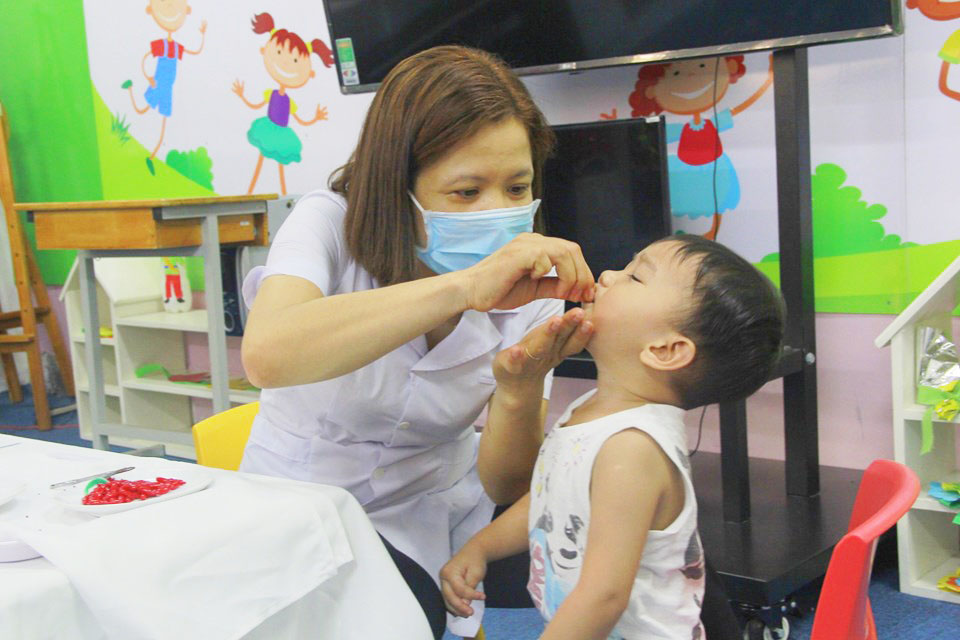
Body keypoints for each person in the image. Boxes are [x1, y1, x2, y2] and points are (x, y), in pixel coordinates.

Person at [239, 45, 597, 638]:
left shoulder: (537, 283)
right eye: (466, 192)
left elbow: (506, 485)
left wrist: (517, 388)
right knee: (395, 613)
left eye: (517, 188)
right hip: (302, 503)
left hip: (434, 506)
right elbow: (268, 355)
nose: (499, 214)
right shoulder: (328, 222)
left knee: (609, 550)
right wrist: (464, 288)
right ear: (395, 186)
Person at [440, 235, 785, 639]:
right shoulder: (594, 408)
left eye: (635, 277)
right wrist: (481, 546)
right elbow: (554, 495)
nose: (607, 275)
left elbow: (603, 597)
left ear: (665, 350)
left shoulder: (631, 448)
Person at [232, 12, 335, 195]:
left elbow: (299, 119)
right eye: (279, 53)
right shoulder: (270, 94)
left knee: (280, 166)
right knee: (261, 161)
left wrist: (316, 117)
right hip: (268, 129)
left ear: (310, 73)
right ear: (264, 51)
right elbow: (256, 105)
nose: (286, 64)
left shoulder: (289, 102)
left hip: (282, 134)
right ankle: (251, 191)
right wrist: (242, 95)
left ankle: (285, 195)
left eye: (295, 60)